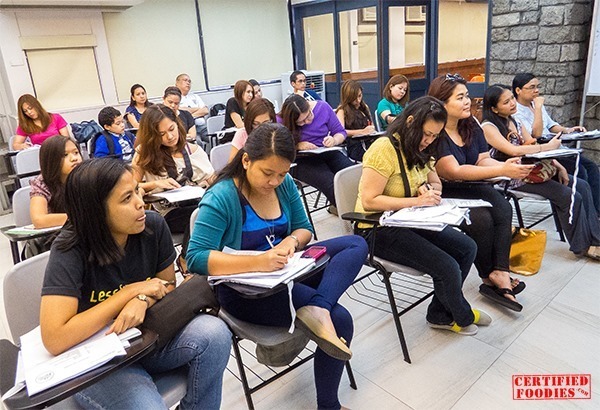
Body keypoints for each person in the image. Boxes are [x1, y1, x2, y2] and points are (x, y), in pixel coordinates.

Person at [186, 123, 368, 410]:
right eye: (267, 173)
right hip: (247, 291)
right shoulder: (222, 196)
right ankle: (328, 405)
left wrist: (291, 243)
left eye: (282, 174)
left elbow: (304, 228)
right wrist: (259, 260)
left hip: (288, 271)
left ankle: (318, 307)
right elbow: (195, 257)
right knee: (341, 318)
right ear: (246, 161)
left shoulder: (283, 187)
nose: (275, 181)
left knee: (356, 244)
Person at [40, 158, 231, 409]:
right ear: (96, 211)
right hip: (101, 360)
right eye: (126, 198)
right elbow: (55, 338)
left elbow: (166, 286)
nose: (141, 203)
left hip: (148, 338)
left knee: (216, 334)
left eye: (138, 191)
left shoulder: (152, 226)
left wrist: (143, 299)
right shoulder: (70, 248)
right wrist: (129, 293)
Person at [355, 96, 492, 334]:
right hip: (376, 228)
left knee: (467, 246)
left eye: (434, 136)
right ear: (410, 122)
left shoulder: (423, 149)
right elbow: (369, 201)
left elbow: (436, 183)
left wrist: (430, 191)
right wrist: (416, 200)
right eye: (426, 134)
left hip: (411, 219)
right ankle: (461, 314)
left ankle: (441, 313)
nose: (429, 141)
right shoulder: (384, 149)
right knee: (447, 266)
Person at [428, 74, 533, 311]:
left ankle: (501, 272)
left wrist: (506, 168)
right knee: (481, 219)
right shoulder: (436, 128)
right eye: (460, 97)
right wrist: (503, 169)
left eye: (467, 96)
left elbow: (482, 160)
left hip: (471, 183)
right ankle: (489, 275)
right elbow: (452, 171)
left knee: (503, 207)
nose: (468, 101)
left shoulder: (471, 124)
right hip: (445, 188)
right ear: (442, 102)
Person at [481, 84, 600, 260]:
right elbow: (514, 151)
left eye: (512, 98)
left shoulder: (514, 121)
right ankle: (582, 246)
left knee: (581, 185)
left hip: (534, 170)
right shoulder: (488, 127)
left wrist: (557, 165)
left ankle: (596, 239)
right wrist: (549, 146)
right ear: (494, 109)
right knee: (567, 194)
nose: (513, 103)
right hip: (512, 175)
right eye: (506, 102)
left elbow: (532, 145)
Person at [132, 104, 216, 272]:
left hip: (194, 202)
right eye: (161, 134)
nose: (169, 137)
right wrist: (155, 184)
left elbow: (212, 180)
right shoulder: (145, 153)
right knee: (201, 214)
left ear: (178, 124)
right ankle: (186, 259)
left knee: (211, 209)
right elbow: (131, 187)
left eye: (172, 129)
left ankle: (203, 259)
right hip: (167, 212)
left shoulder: (192, 149)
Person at [512, 73, 600, 214]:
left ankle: (596, 212)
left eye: (537, 87)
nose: (536, 91)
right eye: (532, 87)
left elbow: (551, 125)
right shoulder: (516, 111)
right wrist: (538, 110)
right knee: (581, 171)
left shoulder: (535, 104)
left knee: (591, 167)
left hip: (558, 147)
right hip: (544, 153)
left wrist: (568, 130)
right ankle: (581, 212)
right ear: (518, 90)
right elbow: (537, 134)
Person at [278, 94, 354, 208]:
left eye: (308, 115)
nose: (307, 122)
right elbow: (278, 147)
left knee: (352, 173)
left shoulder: (322, 107)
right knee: (329, 182)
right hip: (301, 160)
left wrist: (334, 140)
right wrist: (296, 145)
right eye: (301, 122)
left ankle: (360, 207)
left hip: (326, 151)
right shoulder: (280, 120)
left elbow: (340, 132)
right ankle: (347, 212)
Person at [30, 135, 82, 229]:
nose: (74, 158)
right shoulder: (42, 183)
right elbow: (39, 219)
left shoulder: (88, 176)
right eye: (65, 155)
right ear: (51, 160)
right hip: (55, 236)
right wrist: (80, 218)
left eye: (76, 152)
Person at [335, 80, 376, 161]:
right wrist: (362, 132)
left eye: (360, 96)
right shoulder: (342, 111)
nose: (358, 100)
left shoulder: (364, 107)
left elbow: (371, 125)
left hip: (369, 142)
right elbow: (340, 132)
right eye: (354, 98)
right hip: (355, 146)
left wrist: (371, 130)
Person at [228, 97, 276, 162]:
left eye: (266, 123)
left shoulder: (276, 133)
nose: (261, 128)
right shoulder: (242, 134)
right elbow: (232, 164)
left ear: (272, 120)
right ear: (249, 122)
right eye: (256, 124)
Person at [176, 73, 209, 141]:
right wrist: (198, 109)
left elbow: (205, 110)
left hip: (202, 127)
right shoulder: (175, 98)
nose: (188, 83)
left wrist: (189, 117)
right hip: (188, 129)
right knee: (198, 142)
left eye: (189, 81)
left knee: (214, 138)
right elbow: (179, 110)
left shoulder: (195, 96)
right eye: (185, 80)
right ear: (177, 83)